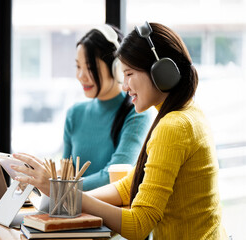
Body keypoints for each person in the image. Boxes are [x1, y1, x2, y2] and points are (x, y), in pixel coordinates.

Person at [12, 22, 227, 239]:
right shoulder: (187, 113)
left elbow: (139, 224)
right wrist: (63, 198)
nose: (124, 86)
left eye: (130, 74)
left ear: (161, 73)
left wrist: (65, 195)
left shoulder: (173, 127)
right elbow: (130, 186)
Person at [63, 25, 152, 191]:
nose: (81, 76)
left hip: (111, 214)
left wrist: (62, 190)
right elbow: (66, 175)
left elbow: (114, 178)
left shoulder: (137, 113)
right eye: (78, 66)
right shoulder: (74, 114)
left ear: (117, 68)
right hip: (74, 213)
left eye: (90, 68)